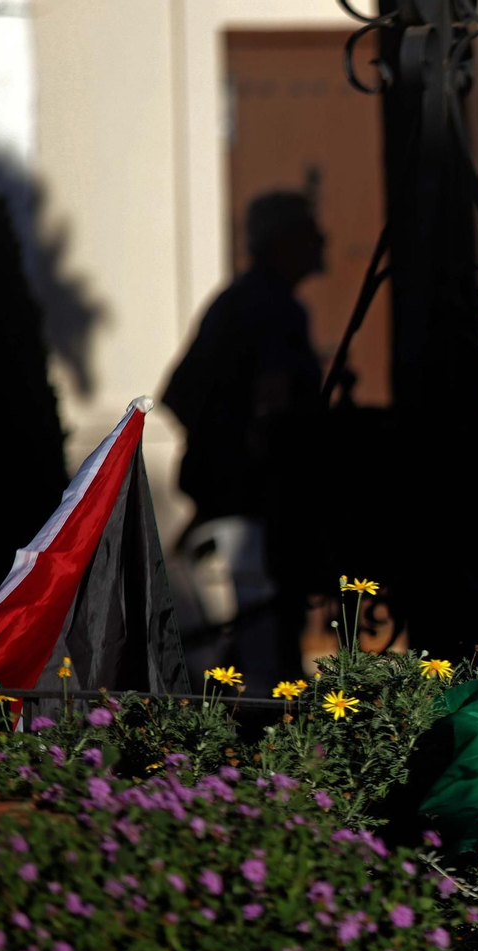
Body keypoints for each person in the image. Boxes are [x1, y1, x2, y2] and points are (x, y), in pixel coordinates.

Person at [161, 191, 326, 689]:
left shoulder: (237, 300)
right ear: (282, 242)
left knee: (247, 624)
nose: (323, 241)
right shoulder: (272, 308)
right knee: (258, 628)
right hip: (253, 500)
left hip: (232, 491)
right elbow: (271, 407)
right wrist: (247, 450)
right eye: (309, 232)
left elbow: (181, 394)